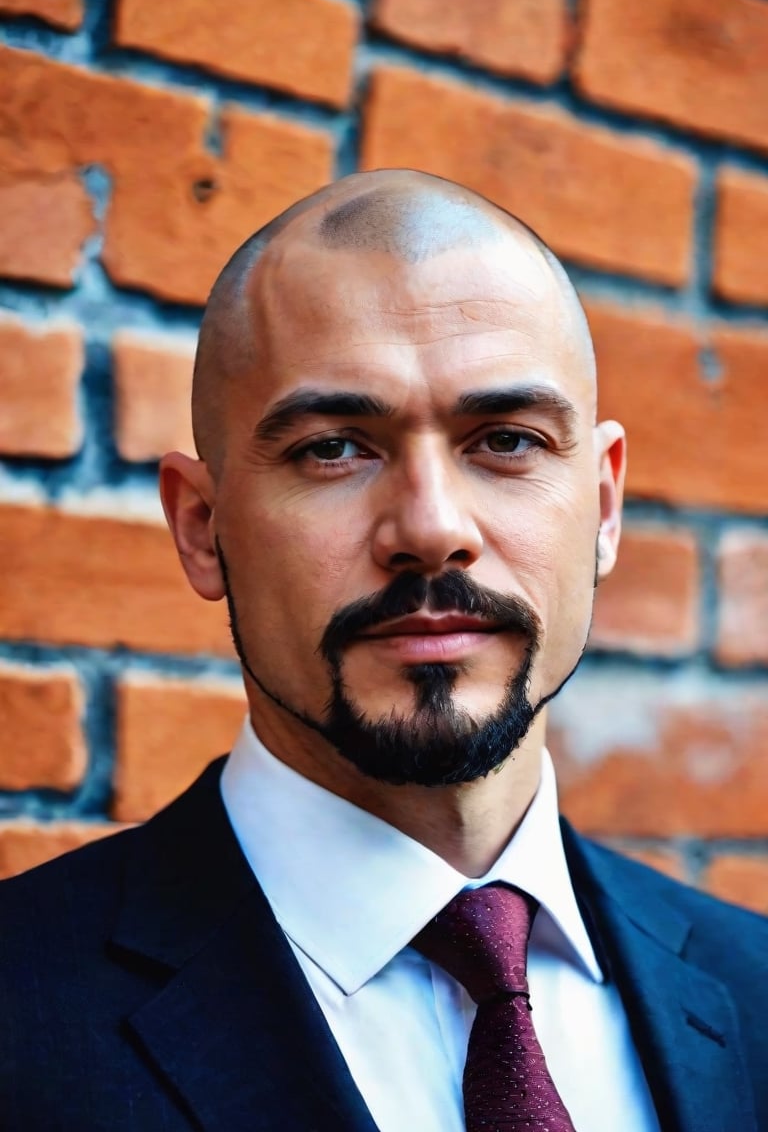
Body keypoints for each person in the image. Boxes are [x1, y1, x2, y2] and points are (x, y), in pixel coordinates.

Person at [0, 170, 766, 1132]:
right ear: (202, 528)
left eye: (508, 440)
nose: (432, 528)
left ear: (603, 509)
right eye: (333, 449)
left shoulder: (756, 989)